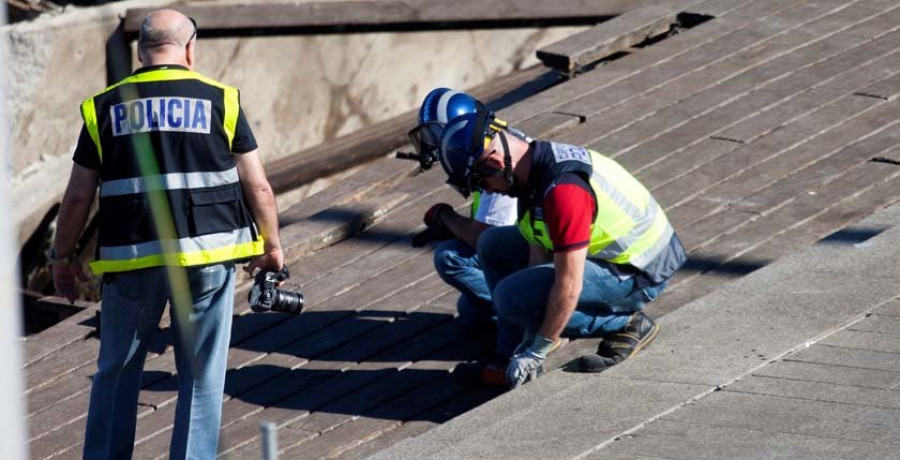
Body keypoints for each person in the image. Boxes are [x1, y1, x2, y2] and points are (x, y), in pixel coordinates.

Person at [50, 10, 282, 459]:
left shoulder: (104, 106)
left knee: (115, 371)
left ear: (140, 51)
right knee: (200, 376)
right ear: (190, 49)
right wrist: (272, 246)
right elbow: (259, 187)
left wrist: (63, 258)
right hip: (207, 257)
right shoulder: (223, 100)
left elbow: (78, 197)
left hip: (131, 259)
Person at [433, 99, 686, 389]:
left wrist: (537, 348)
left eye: (483, 184)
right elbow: (537, 250)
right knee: (492, 245)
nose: (487, 192)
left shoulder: (562, 192)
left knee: (511, 299)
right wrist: (525, 335)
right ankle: (506, 355)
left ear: (494, 164)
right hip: (609, 257)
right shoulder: (531, 169)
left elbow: (569, 283)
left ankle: (625, 324)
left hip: (639, 271)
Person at [409, 89, 521, 337]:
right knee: (469, 311)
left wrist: (444, 217)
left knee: (449, 257)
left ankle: (531, 318)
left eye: (438, 133)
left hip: (539, 254)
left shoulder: (495, 163)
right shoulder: (501, 142)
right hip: (534, 246)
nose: (435, 142)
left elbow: (488, 238)